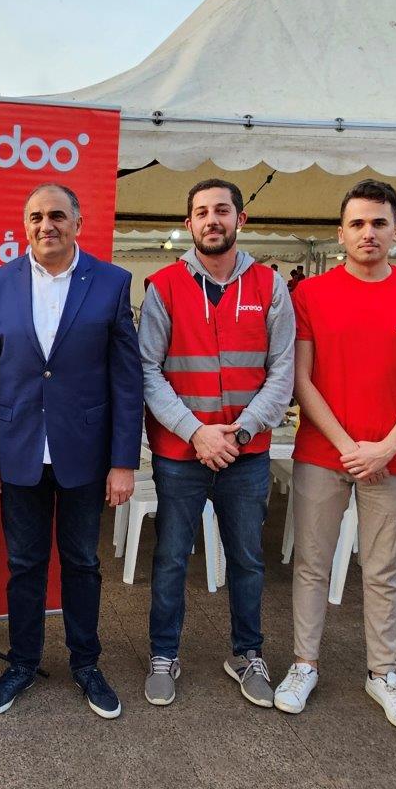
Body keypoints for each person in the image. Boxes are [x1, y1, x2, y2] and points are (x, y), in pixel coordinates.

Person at [275, 179, 396, 732]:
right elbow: (301, 379)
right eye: (357, 223)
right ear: (341, 233)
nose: (368, 232)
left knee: (383, 570)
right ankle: (304, 664)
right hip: (323, 452)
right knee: (312, 563)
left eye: (379, 222)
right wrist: (348, 446)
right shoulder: (310, 295)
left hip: (392, 458)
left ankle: (383, 674)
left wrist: (389, 445)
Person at [0, 183, 142, 719]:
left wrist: (123, 462)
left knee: (82, 563)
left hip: (85, 454)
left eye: (58, 216)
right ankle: (22, 663)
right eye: (37, 217)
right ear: (25, 225)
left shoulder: (111, 282)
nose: (47, 225)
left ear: (77, 223)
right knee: (24, 564)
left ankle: (86, 663)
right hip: (18, 450)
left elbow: (126, 380)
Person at [138, 178, 295, 707]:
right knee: (170, 559)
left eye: (222, 210)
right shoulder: (163, 286)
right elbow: (148, 370)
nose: (212, 220)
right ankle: (164, 654)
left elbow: (283, 370)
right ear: (189, 224)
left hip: (245, 453)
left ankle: (247, 654)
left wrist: (242, 430)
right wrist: (197, 432)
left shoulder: (270, 287)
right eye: (202, 212)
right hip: (181, 453)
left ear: (240, 219)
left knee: (248, 560)